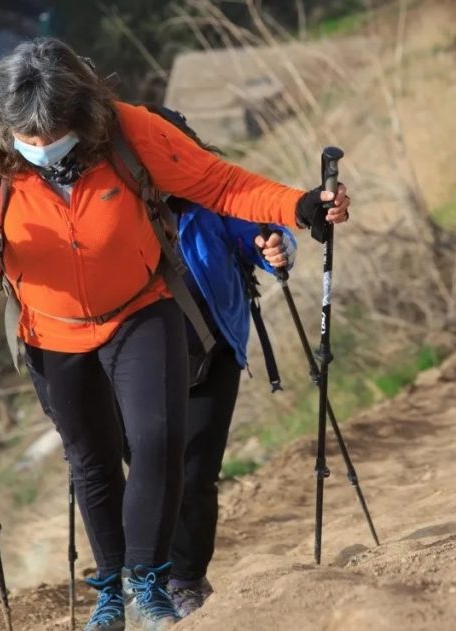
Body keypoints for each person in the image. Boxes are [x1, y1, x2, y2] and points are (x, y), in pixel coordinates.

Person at [0, 38, 350, 631]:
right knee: (91, 461)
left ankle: (150, 584)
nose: (41, 147)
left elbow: (220, 184)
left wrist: (299, 207)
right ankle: (110, 595)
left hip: (139, 311)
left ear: (81, 112)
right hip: (52, 331)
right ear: (4, 123)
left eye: (53, 132)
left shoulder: (129, 131)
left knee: (157, 440)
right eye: (29, 136)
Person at [166, 194, 295, 618]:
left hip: (211, 352)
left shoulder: (206, 193)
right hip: (129, 361)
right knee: (148, 469)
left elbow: (255, 229)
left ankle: (186, 579)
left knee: (197, 470)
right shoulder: (102, 196)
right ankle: (144, 579)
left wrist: (276, 246)